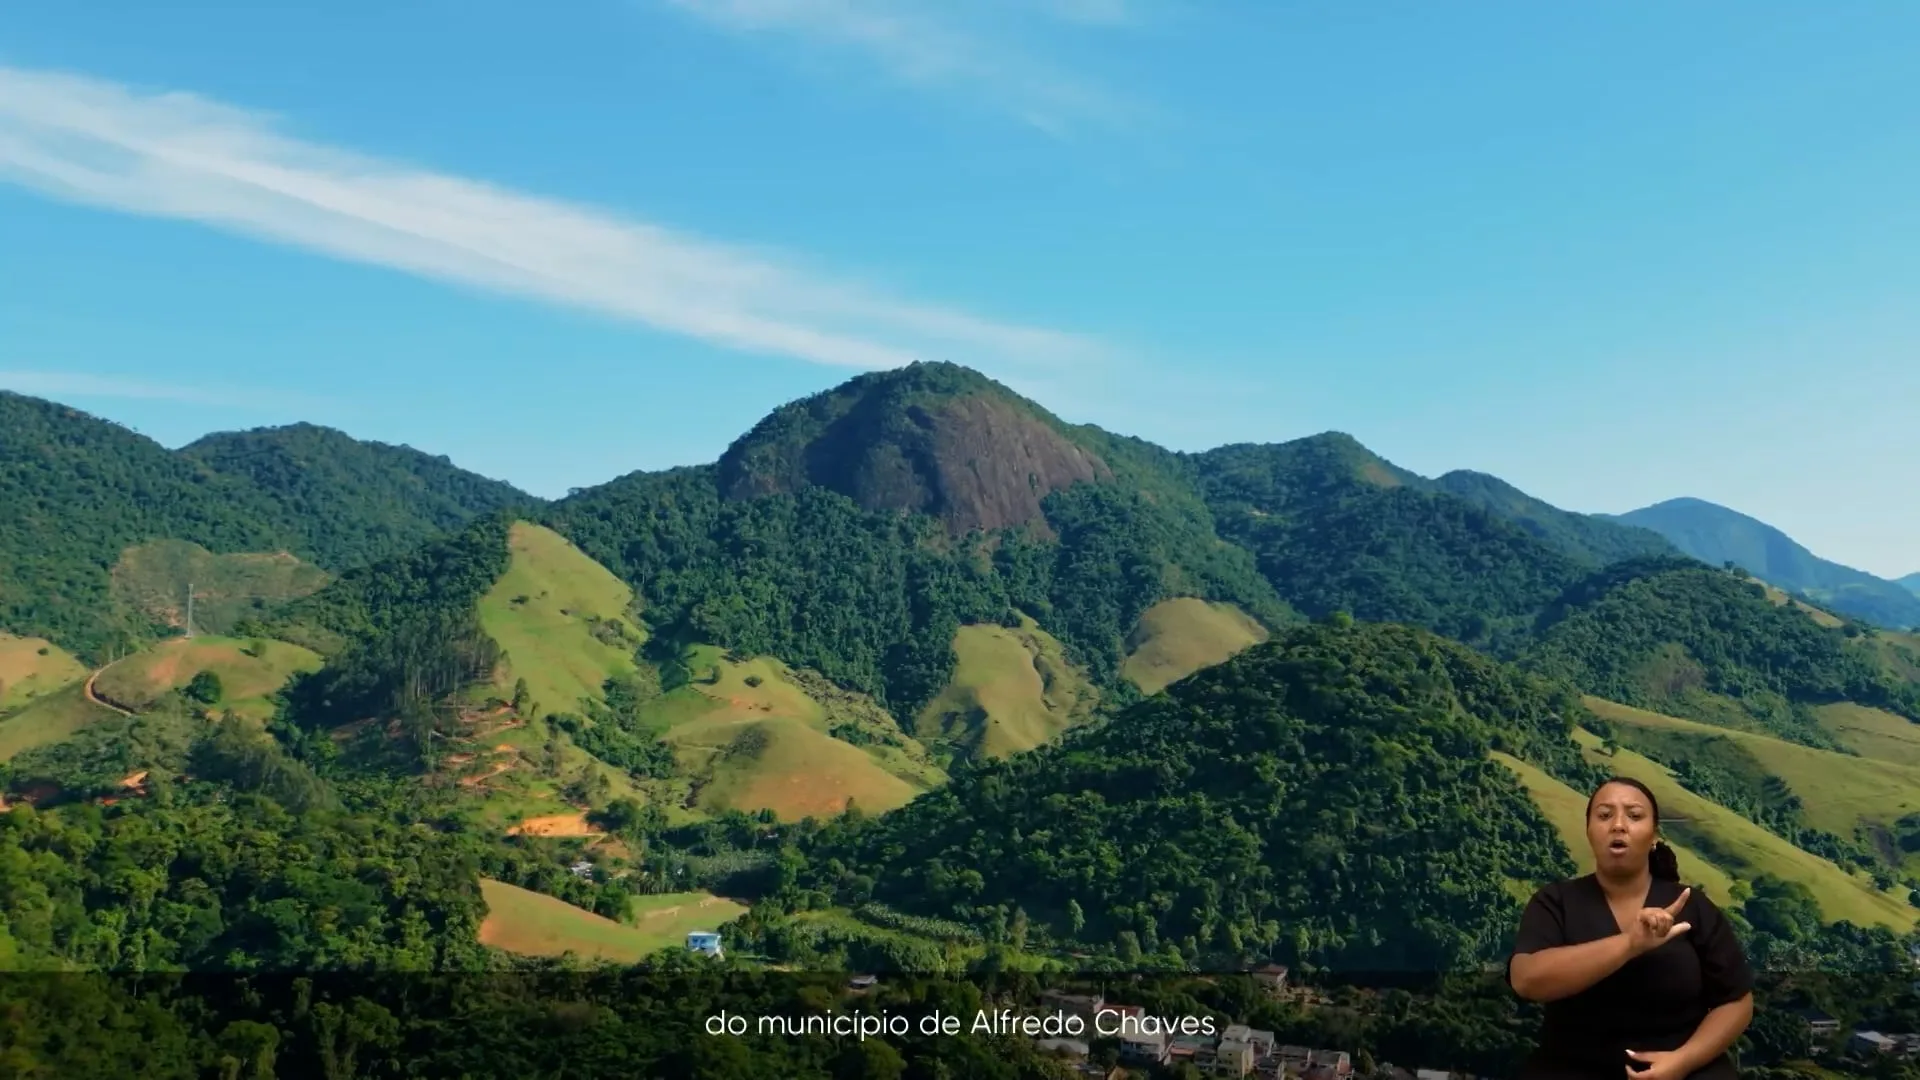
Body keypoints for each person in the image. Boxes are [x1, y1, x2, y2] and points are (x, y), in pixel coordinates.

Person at [1508, 776, 1754, 1080]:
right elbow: (1527, 980)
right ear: (1589, 831)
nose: (1618, 825)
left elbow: (1737, 1000)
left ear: (1654, 835)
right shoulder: (1555, 901)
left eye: (1634, 816)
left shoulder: (1691, 904)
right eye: (1604, 815)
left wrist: (1683, 1062)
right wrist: (1629, 944)